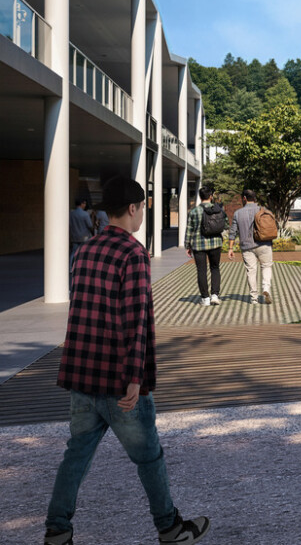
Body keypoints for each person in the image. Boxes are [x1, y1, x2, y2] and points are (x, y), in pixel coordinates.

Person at [45, 177, 212, 545]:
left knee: (76, 456)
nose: (143, 213)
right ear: (134, 208)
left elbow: (81, 312)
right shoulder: (133, 253)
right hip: (120, 379)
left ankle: (57, 531)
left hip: (81, 374)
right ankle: (169, 528)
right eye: (143, 207)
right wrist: (135, 377)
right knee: (149, 457)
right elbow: (136, 319)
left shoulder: (85, 251)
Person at [183, 189, 225, 306]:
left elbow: (189, 230)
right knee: (215, 268)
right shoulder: (218, 210)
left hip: (198, 245)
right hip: (216, 243)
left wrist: (187, 245)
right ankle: (215, 295)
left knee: (201, 270)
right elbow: (225, 224)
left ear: (200, 197)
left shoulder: (194, 212)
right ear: (211, 196)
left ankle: (205, 298)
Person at [232, 191, 274, 306]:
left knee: (251, 271)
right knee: (266, 266)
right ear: (255, 198)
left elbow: (233, 232)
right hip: (264, 243)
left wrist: (230, 248)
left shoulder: (238, 213)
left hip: (247, 246)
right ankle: (266, 288)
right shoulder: (264, 210)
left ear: (244, 198)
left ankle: (254, 298)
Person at [69, 195, 95, 263]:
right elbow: (90, 225)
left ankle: (70, 267)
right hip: (84, 237)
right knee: (85, 252)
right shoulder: (85, 214)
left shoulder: (71, 214)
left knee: (73, 252)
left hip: (74, 236)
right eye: (85, 203)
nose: (85, 205)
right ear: (82, 203)